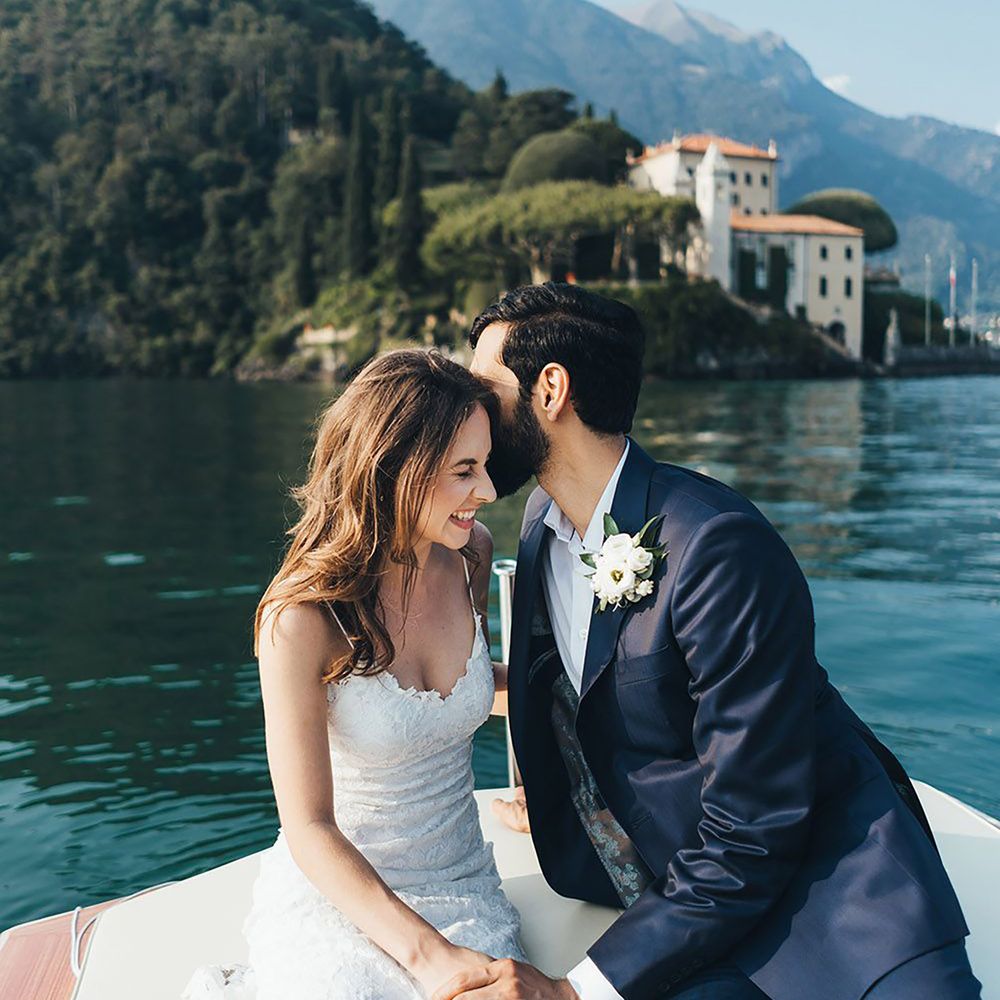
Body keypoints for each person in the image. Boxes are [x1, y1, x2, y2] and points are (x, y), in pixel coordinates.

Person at [433, 282, 982, 1000]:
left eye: (484, 385)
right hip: (681, 896)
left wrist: (570, 993)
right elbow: (581, 687)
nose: (470, 408)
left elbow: (754, 826)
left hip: (832, 897)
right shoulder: (541, 524)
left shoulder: (718, 547)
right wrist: (566, 790)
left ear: (551, 390)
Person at [181, 349, 525, 1000]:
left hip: (461, 883)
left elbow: (475, 685)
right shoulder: (302, 617)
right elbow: (308, 827)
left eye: (484, 466)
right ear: (397, 468)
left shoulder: (470, 554)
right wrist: (430, 958)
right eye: (465, 471)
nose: (487, 492)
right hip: (337, 892)